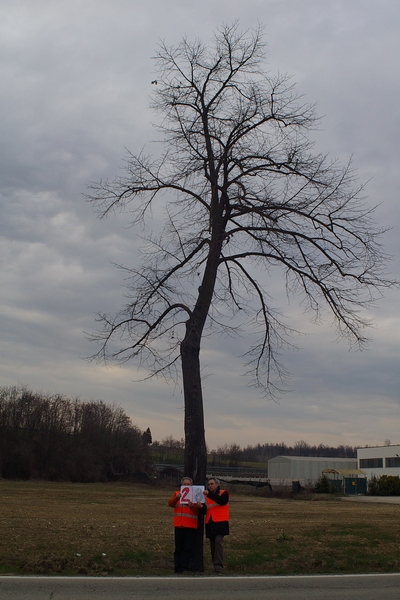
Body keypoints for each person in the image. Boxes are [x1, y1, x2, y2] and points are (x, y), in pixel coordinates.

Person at [168, 476, 205, 574]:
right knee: (178, 548)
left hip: (190, 525)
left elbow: (198, 510)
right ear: (181, 485)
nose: (186, 486)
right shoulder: (177, 494)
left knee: (187, 548)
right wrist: (176, 498)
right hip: (179, 525)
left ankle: (183, 567)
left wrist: (193, 506)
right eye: (185, 484)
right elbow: (170, 503)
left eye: (188, 484)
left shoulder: (195, 495)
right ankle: (177, 567)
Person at [203, 477, 229, 573]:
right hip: (210, 522)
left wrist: (209, 494)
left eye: (212, 484)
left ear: (217, 484)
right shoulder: (206, 496)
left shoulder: (223, 493)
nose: (210, 485)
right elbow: (204, 510)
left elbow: (222, 501)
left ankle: (219, 565)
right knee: (212, 544)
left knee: (218, 541)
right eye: (208, 484)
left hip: (220, 522)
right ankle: (215, 565)